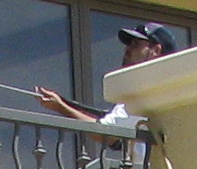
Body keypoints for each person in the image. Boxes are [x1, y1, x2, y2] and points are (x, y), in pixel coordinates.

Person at [32, 22, 179, 122]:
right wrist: (61, 104)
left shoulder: (150, 92)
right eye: (129, 44)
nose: (127, 49)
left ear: (156, 50)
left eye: (136, 44)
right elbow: (110, 130)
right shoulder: (141, 91)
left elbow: (107, 135)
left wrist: (60, 107)